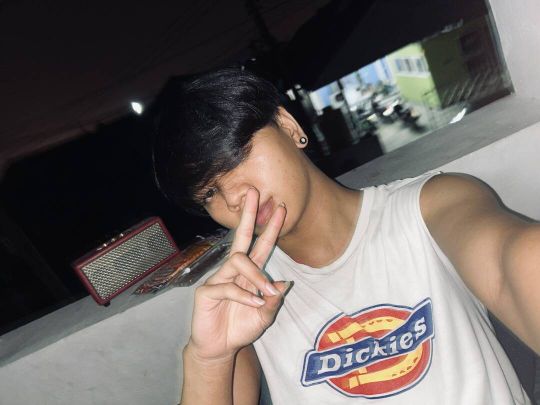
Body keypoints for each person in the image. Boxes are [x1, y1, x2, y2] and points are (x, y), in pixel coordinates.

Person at [152, 68, 539, 405]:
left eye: (238, 154)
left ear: (288, 126)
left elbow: (512, 262)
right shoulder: (245, 289)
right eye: (209, 192)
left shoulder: (430, 207)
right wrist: (208, 359)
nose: (234, 197)